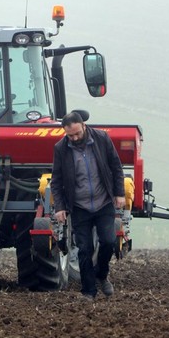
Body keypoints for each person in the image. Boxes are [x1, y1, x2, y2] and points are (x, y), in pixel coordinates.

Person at [51, 111, 126, 300]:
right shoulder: (61, 148)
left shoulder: (101, 138)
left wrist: (119, 193)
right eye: (70, 135)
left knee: (108, 242)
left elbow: (116, 166)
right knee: (84, 249)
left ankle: (101, 275)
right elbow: (56, 180)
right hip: (80, 206)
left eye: (77, 133)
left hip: (104, 202)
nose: (75, 138)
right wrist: (60, 207)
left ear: (84, 126)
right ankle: (88, 291)